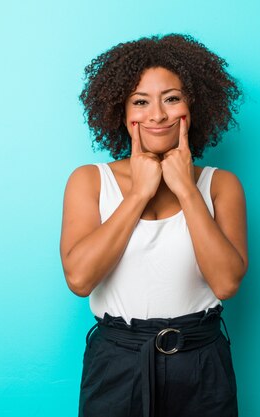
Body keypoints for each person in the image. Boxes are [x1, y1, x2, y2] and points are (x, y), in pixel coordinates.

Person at [60, 33, 248, 417]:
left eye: (172, 98)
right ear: (121, 111)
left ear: (192, 105)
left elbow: (226, 284)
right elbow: (79, 280)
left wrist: (186, 190)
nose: (158, 115)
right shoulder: (90, 181)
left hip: (201, 363)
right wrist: (137, 196)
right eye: (141, 101)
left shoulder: (220, 185)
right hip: (118, 363)